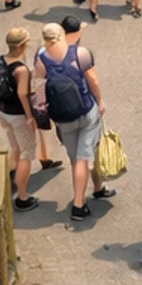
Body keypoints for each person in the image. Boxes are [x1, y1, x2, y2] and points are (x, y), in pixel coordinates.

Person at [34, 19, 105, 219]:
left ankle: (83, 198)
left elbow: (38, 87)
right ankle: (79, 203)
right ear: (62, 34)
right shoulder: (80, 53)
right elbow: (93, 80)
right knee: (85, 157)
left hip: (62, 117)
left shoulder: (40, 58)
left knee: (75, 160)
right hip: (85, 110)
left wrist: (42, 113)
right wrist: (100, 101)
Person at [0, 24, 48, 209]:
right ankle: (22, 197)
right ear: (21, 45)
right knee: (27, 154)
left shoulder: (0, 61)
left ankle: (14, 174)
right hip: (17, 115)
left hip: (3, 112)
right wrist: (29, 116)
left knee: (16, 147)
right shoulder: (21, 70)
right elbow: (22, 94)